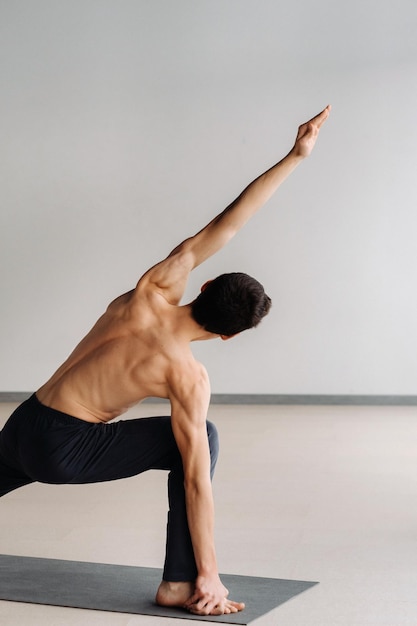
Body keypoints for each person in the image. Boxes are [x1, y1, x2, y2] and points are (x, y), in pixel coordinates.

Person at [0, 105, 330, 616]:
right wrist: (210, 574)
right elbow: (197, 480)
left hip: (22, 423)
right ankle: (178, 583)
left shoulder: (152, 289)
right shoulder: (187, 375)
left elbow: (227, 224)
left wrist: (295, 156)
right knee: (201, 440)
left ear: (201, 283)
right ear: (227, 337)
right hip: (61, 449)